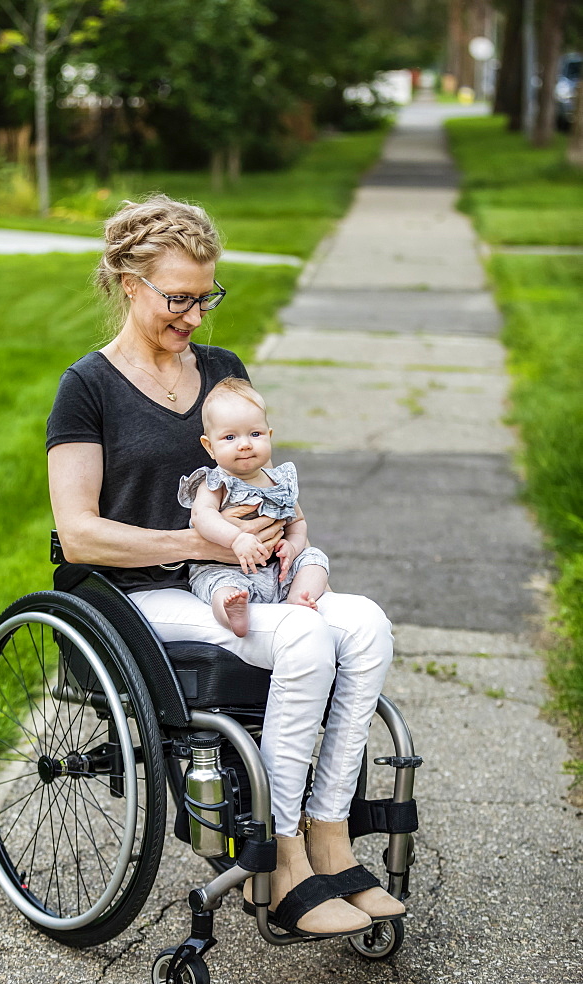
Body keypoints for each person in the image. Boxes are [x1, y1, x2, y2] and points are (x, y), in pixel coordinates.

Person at [47, 193, 404, 937]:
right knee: (306, 640)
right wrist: (202, 544)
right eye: (179, 298)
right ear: (127, 282)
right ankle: (280, 860)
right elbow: (79, 535)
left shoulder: (221, 371)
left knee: (365, 624)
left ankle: (330, 837)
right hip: (140, 598)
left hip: (248, 580)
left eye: (207, 297)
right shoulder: (88, 388)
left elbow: (256, 479)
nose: (196, 317)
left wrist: (286, 537)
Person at [178, 376, 329, 637]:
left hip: (275, 571)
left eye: (255, 434)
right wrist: (236, 538)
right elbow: (202, 516)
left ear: (269, 436)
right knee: (219, 588)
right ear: (209, 446)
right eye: (229, 437)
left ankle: (297, 598)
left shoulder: (279, 480)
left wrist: (292, 547)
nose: (245, 443)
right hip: (225, 569)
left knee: (315, 559)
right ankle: (234, 614)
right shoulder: (216, 482)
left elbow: (297, 522)